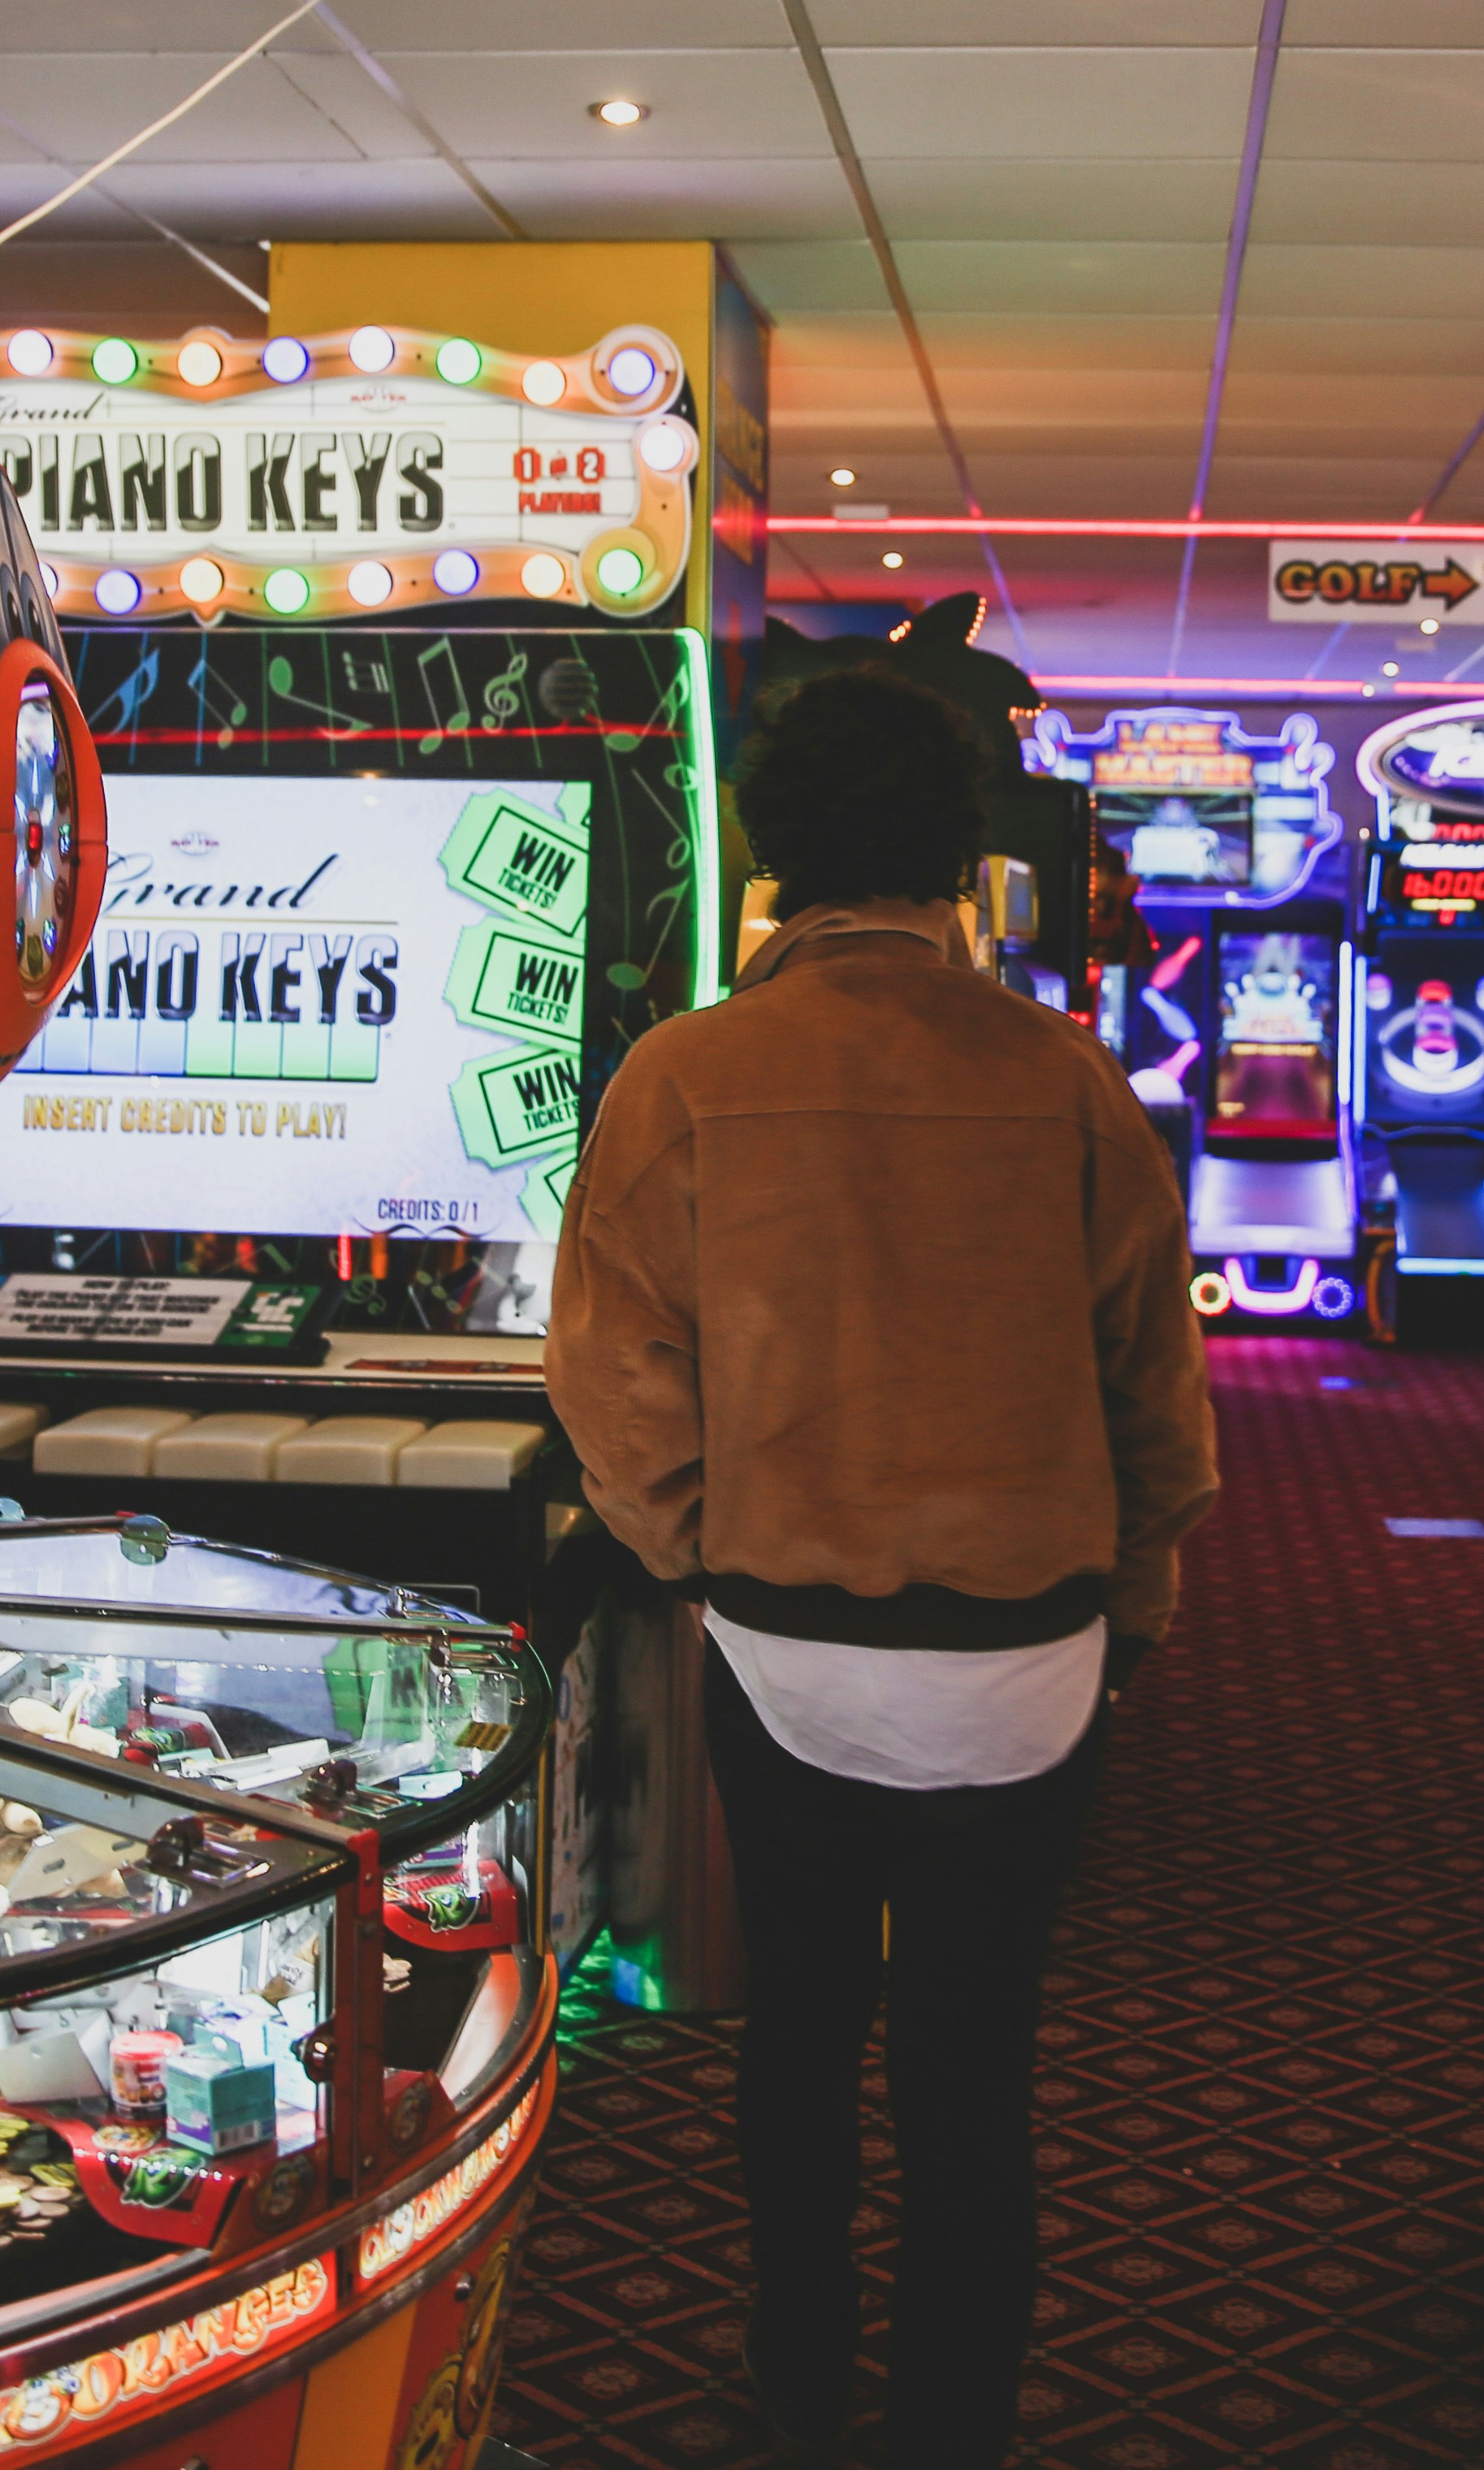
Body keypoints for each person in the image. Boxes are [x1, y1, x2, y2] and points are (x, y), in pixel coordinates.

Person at [550, 667, 1219, 2470]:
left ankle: (793, 2378)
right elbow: (1160, 1405)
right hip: (1029, 1645)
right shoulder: (1069, 1077)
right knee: (970, 2067)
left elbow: (606, 1383)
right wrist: (1127, 1614)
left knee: (798, 2035)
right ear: (959, 862)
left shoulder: (682, 1074)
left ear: (772, 859)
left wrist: (706, 1556)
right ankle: (949, 2422)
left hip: (786, 1639)